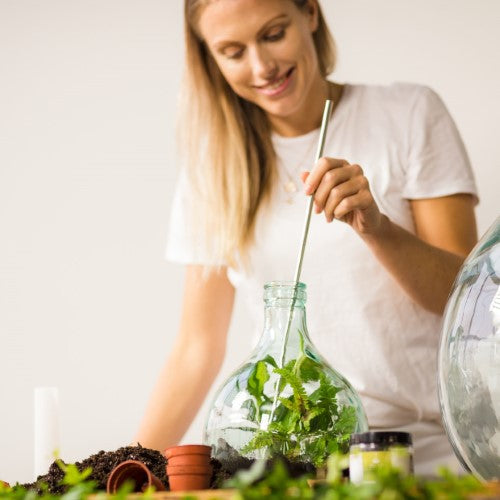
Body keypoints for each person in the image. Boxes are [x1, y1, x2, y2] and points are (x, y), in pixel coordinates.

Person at [134, 0, 478, 475]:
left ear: (310, 14)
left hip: (417, 455)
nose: (261, 66)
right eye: (233, 51)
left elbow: (464, 300)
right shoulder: (213, 165)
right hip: (286, 462)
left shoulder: (407, 113)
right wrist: (121, 469)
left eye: (273, 34)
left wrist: (376, 229)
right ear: (210, 58)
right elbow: (198, 348)